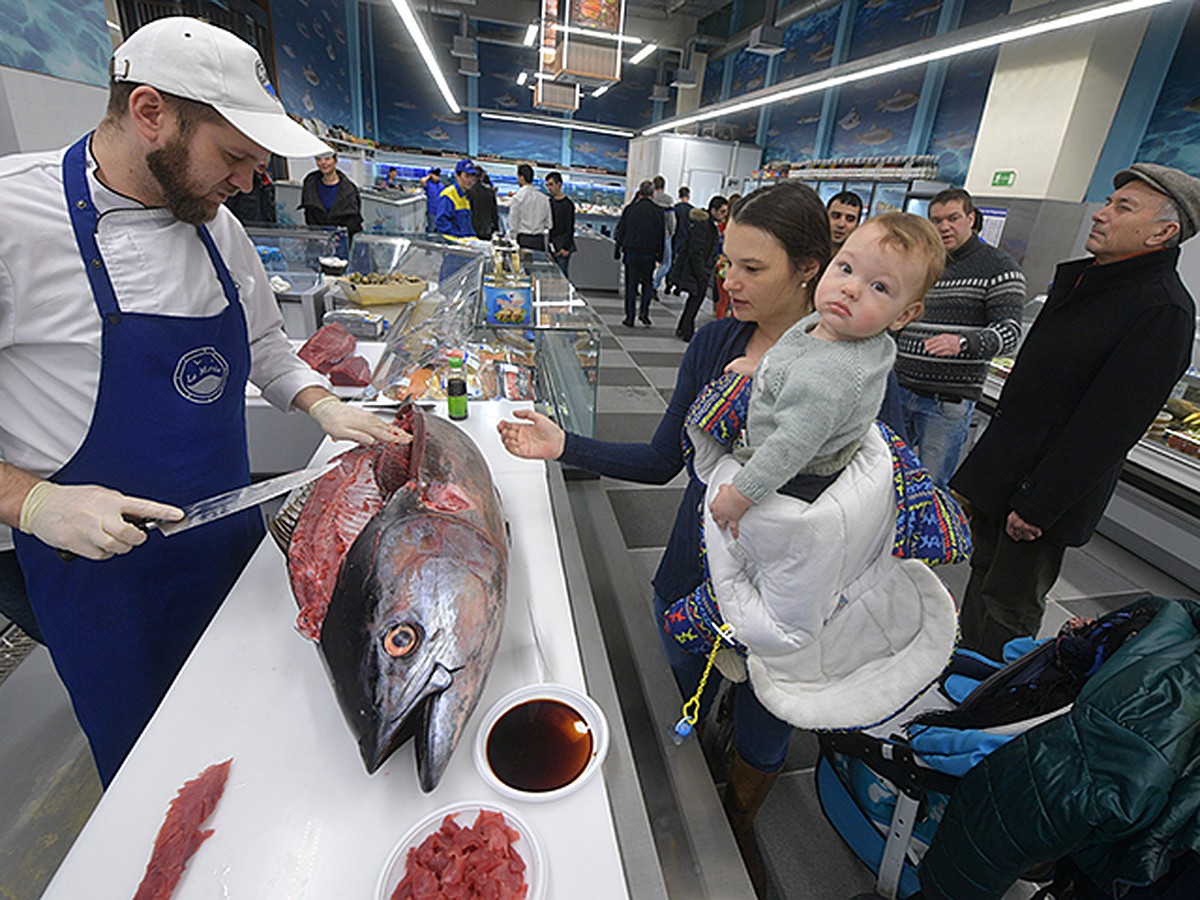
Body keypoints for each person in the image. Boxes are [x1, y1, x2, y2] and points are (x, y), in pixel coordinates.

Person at [0, 16, 407, 785]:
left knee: (254, 743)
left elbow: (262, 347)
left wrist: (321, 403)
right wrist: (34, 502)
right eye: (234, 158)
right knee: (157, 781)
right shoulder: (12, 220)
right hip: (104, 586)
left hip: (227, 553)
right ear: (149, 113)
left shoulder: (217, 228)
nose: (249, 184)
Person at [495, 181, 835, 894]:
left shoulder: (856, 369)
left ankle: (739, 818)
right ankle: (700, 778)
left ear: (809, 267)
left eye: (752, 267)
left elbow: (863, 501)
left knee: (769, 726)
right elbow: (660, 461)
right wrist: (566, 445)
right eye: (727, 260)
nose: (728, 279)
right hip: (692, 575)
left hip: (788, 599)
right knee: (683, 690)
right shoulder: (714, 341)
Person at [950, 163, 1199, 658]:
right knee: (981, 578)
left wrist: (1041, 503)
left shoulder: (1160, 309)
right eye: (1108, 202)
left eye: (1121, 207)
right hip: (1008, 470)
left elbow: (1108, 428)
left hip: (1041, 490)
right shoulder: (1093, 282)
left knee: (1009, 603)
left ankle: (984, 700)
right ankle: (960, 669)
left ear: (1163, 233)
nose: (1101, 214)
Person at [707, 211, 942, 538]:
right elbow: (799, 365)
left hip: (794, 479)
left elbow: (790, 446)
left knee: (751, 552)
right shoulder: (829, 327)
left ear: (904, 314)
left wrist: (740, 495)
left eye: (879, 286)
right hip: (794, 461)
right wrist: (766, 369)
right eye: (845, 268)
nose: (850, 289)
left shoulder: (836, 374)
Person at [893, 188, 1026, 489]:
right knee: (882, 474)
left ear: (971, 218)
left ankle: (924, 537)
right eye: (936, 220)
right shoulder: (926, 264)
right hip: (900, 389)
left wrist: (963, 342)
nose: (943, 227)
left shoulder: (1000, 268)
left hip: (945, 403)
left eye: (952, 218)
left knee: (931, 484)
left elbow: (1010, 334)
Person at [672, 194, 727, 341]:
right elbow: (696, 252)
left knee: (693, 301)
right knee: (694, 302)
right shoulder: (703, 226)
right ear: (713, 210)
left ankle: (683, 328)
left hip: (698, 270)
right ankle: (686, 331)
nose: (723, 216)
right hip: (696, 271)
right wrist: (702, 272)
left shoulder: (706, 225)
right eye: (722, 212)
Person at [613, 180, 664, 327]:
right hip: (649, 254)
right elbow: (660, 235)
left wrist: (617, 249)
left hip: (631, 253)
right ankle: (644, 313)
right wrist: (660, 255)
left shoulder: (630, 209)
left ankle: (630, 317)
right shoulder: (658, 212)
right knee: (647, 284)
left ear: (640, 193)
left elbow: (621, 230)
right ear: (652, 194)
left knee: (631, 285)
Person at [300, 150, 363, 238]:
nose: (323, 163)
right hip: (317, 240)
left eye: (327, 159)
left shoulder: (349, 189)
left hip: (343, 242)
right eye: (319, 159)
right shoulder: (310, 184)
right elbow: (309, 214)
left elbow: (354, 221)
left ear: (335, 161)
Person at [507, 163, 551, 251]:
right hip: (539, 241)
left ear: (521, 177)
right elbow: (549, 224)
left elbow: (513, 224)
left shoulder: (517, 198)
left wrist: (511, 240)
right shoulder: (544, 199)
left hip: (523, 240)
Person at [712, 192, 741, 319]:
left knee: (723, 299)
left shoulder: (722, 226)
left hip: (721, 265)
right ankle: (733, 326)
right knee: (736, 300)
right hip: (735, 266)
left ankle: (719, 324)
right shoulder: (741, 227)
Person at [434, 158, 478, 238]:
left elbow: (466, 225)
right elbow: (441, 222)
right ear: (457, 176)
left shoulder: (465, 197)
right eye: (467, 176)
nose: (470, 180)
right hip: (453, 246)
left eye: (472, 177)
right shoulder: (448, 195)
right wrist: (458, 238)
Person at [546, 171, 576, 278]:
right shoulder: (549, 202)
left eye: (551, 184)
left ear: (559, 185)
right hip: (552, 245)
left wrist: (566, 247)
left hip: (563, 246)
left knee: (562, 275)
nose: (549, 188)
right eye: (547, 185)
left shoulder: (568, 204)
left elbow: (570, 227)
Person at [651, 174, 676, 299]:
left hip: (650, 235)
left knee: (649, 261)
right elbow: (672, 221)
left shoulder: (651, 199)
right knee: (666, 263)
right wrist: (671, 233)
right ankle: (655, 285)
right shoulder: (668, 199)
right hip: (665, 235)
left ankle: (647, 284)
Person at [467, 165, 500, 239]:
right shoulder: (490, 192)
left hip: (471, 231)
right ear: (482, 176)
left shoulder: (468, 192)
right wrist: (496, 229)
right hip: (486, 230)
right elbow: (494, 214)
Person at [671, 186, 694, 280]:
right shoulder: (692, 210)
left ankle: (669, 282)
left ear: (679, 195)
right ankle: (678, 285)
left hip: (676, 237)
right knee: (683, 263)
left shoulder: (675, 208)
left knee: (672, 262)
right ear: (688, 196)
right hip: (687, 239)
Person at [419, 166, 442, 232]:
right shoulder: (428, 184)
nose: (436, 176)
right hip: (431, 212)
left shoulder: (441, 186)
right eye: (434, 174)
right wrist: (429, 176)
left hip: (439, 212)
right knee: (431, 229)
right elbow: (422, 180)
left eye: (437, 174)